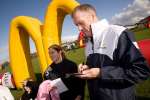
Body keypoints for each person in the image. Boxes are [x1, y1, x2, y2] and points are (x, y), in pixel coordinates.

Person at [71, 4, 150, 100]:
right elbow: (97, 66)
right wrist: (86, 68)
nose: (79, 28)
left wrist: (100, 73)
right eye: (76, 25)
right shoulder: (88, 43)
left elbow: (140, 71)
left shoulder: (118, 33)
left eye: (81, 23)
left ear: (92, 16)